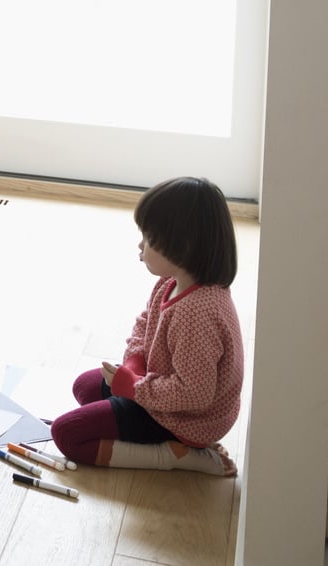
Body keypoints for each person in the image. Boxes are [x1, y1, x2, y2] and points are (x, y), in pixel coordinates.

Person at [49, 176, 243, 475]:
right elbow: (144, 323)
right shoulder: (171, 283)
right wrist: (134, 361)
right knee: (85, 386)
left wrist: (136, 389)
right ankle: (151, 436)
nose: (140, 245)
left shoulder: (197, 313)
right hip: (159, 392)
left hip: (187, 420)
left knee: (66, 434)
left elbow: (194, 395)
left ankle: (177, 455)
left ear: (183, 246)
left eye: (149, 238)